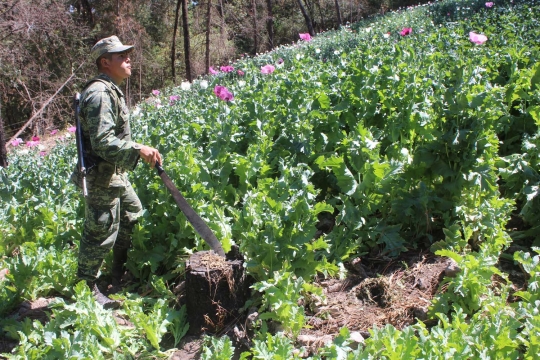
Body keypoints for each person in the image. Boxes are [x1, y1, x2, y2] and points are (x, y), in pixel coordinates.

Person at [71, 35, 162, 309]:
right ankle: (85, 291)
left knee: (132, 215)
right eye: (121, 56)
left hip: (115, 173)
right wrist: (137, 150)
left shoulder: (110, 89)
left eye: (127, 54)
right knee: (99, 233)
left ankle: (116, 274)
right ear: (104, 62)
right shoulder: (99, 93)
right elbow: (102, 142)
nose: (128, 58)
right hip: (100, 176)